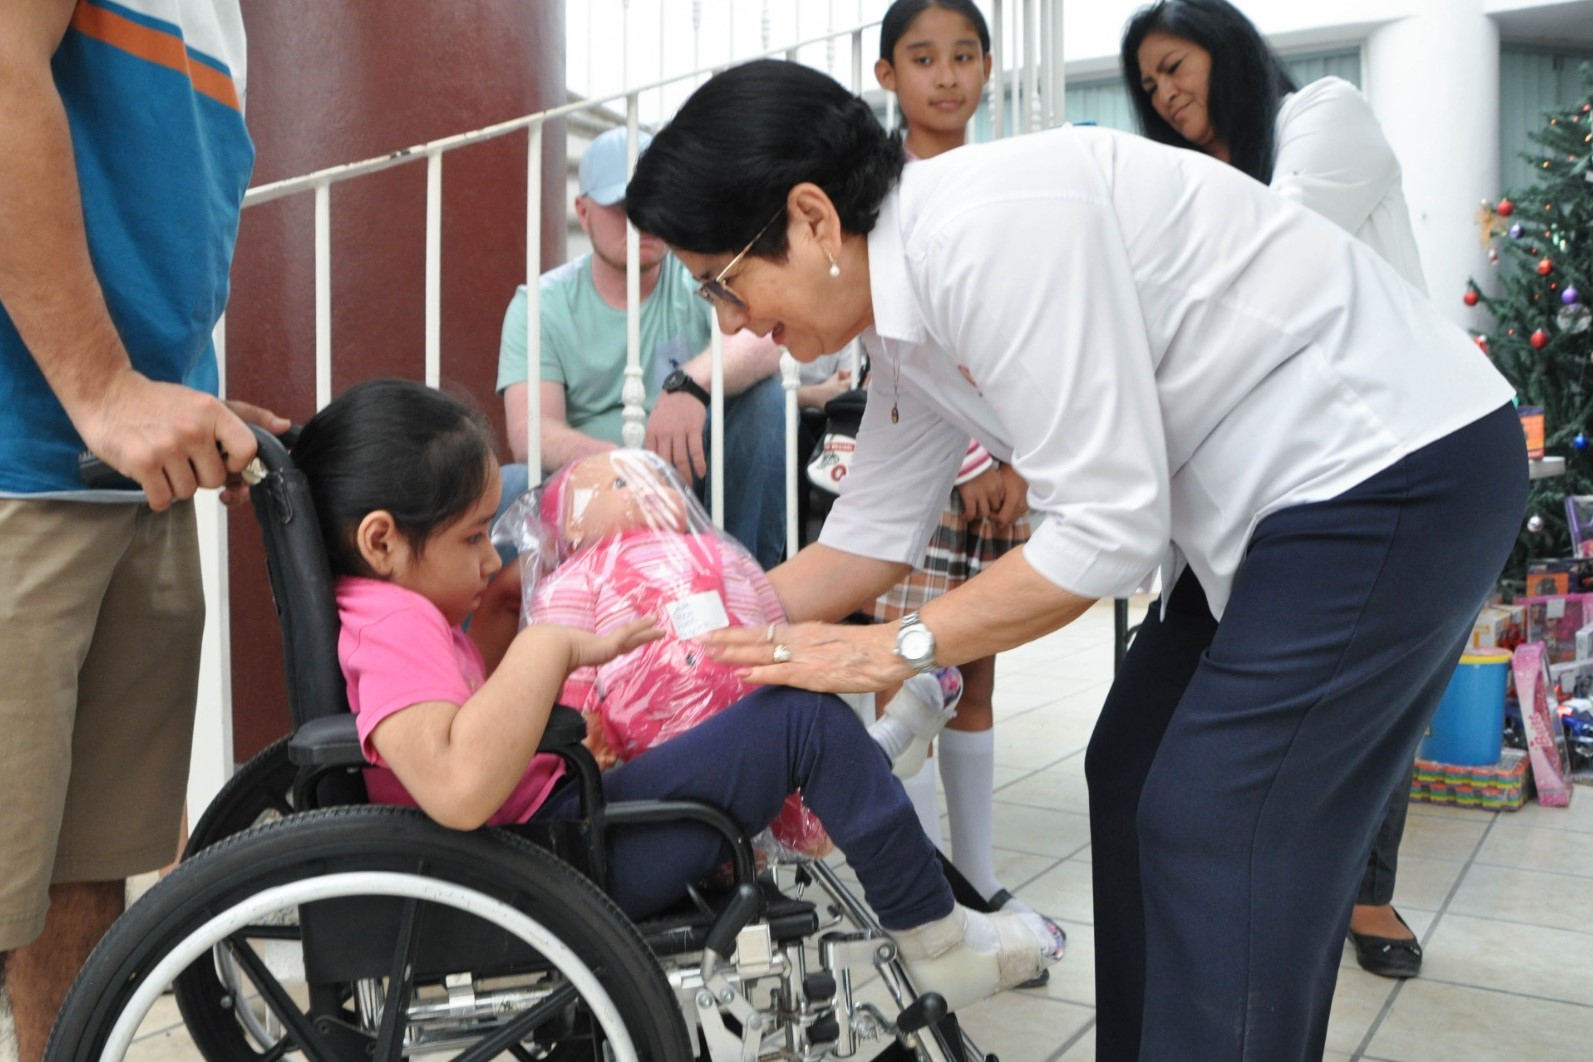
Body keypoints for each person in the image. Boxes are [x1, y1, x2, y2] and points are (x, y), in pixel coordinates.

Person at [623, 58, 1526, 1060]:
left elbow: (1107, 531)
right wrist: (652, 647)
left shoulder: (988, 234)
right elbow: (864, 540)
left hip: (1392, 465)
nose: (730, 322)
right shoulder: (901, 311)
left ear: (811, 217)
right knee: (1133, 771)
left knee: (1219, 819)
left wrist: (891, 652)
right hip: (1274, 506)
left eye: (724, 281)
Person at [290, 377, 1065, 1013]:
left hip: (546, 836)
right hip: (548, 860)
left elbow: (462, 736)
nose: (490, 554)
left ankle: (892, 799)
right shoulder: (392, 626)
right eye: (470, 537)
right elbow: (458, 786)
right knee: (800, 721)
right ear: (382, 540)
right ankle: (936, 942)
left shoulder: (385, 612)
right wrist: (546, 643)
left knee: (758, 713)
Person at [0, 3, 287, 1057]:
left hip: (117, 472)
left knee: (86, 876)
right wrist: (102, 386)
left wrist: (178, 394)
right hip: (21, 457)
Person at [1122, 0, 1428, 981]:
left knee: (1371, 701)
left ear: (1229, 51)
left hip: (1375, 456)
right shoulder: (1193, 182)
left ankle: (1365, 888)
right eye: (1151, 85)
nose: (1167, 96)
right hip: (1251, 485)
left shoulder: (1325, 116)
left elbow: (1273, 268)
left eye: (1178, 68)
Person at [869, 0, 1043, 930]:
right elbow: (899, 338)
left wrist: (1019, 457)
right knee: (915, 682)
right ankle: (928, 889)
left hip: (1004, 467)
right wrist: (978, 453)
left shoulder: (1002, 181)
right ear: (886, 72)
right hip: (924, 465)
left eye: (964, 55)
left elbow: (1020, 330)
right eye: (923, 57)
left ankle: (975, 877)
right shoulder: (883, 195)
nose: (946, 75)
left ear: (986, 67)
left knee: (975, 675)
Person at [497, 127, 788, 569]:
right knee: (510, 484)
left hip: (698, 479)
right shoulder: (541, 303)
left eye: (656, 203)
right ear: (583, 210)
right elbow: (531, 433)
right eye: (623, 207)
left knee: (767, 403)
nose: (645, 220)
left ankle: (746, 588)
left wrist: (689, 385)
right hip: (592, 489)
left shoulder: (698, 270)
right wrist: (637, 469)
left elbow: (767, 337)